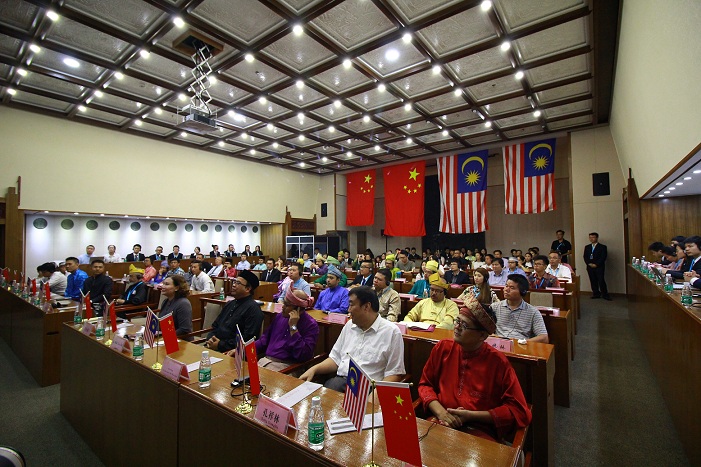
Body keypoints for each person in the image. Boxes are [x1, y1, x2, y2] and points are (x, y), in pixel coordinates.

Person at [418, 293, 532, 442]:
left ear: (482, 336)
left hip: (478, 429)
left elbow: (518, 410)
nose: (457, 327)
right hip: (440, 420)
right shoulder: (443, 348)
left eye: (464, 325)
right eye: (457, 321)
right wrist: (441, 412)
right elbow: (425, 385)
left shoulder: (498, 362)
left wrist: (470, 415)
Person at [299, 286, 405, 393]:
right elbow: (335, 359)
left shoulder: (391, 332)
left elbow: (394, 373)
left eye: (351, 304)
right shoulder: (349, 325)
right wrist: (314, 369)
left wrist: (375, 396)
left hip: (369, 388)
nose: (348, 309)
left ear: (366, 306)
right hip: (341, 382)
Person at [227, 286, 319, 372]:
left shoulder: (311, 325)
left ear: (298, 309)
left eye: (287, 305)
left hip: (288, 367)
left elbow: (304, 355)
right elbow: (263, 341)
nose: (283, 307)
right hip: (266, 362)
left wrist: (293, 328)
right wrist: (242, 349)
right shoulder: (280, 316)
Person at [205, 270, 263, 351]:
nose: (233, 285)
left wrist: (220, 345)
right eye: (234, 282)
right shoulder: (230, 304)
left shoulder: (253, 309)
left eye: (238, 283)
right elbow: (215, 326)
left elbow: (247, 339)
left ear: (247, 289)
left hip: (231, 352)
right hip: (213, 346)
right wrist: (210, 339)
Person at [491, 275, 548, 343]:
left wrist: (523, 342)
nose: (506, 289)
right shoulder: (494, 307)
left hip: (521, 345)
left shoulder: (533, 312)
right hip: (498, 344)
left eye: (512, 288)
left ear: (522, 292)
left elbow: (544, 338)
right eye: (506, 286)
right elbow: (483, 330)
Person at [583, 232, 610, 300]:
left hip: (599, 267)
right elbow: (585, 256)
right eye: (590, 237)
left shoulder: (602, 247)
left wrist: (596, 264)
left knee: (601, 280)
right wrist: (589, 263)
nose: (591, 239)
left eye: (593, 237)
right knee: (593, 280)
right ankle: (596, 293)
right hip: (590, 266)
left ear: (597, 238)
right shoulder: (587, 247)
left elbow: (603, 257)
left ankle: (605, 294)